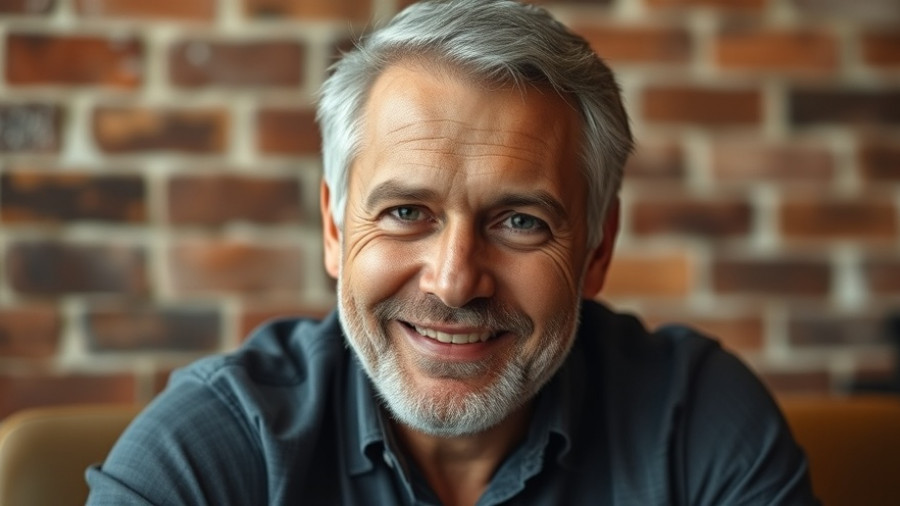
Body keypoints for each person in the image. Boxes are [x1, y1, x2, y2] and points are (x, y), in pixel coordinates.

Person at [86, 0, 818, 504]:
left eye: (520, 221)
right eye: (407, 213)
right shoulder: (215, 444)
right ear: (336, 230)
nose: (454, 281)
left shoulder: (696, 423)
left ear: (598, 249)